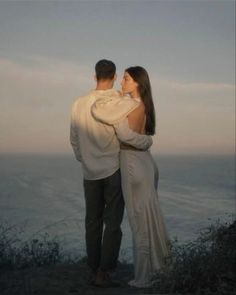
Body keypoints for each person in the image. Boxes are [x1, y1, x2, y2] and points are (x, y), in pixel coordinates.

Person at [70, 60, 153, 288]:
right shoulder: (119, 100)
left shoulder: (78, 104)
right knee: (113, 224)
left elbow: (74, 139)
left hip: (90, 172)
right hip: (114, 169)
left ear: (94, 75)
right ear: (115, 76)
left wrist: (85, 159)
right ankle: (104, 273)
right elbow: (127, 132)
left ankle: (93, 268)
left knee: (92, 222)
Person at [92, 66, 170, 288]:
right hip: (146, 163)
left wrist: (113, 112)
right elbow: (142, 137)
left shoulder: (130, 104)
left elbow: (123, 133)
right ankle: (157, 269)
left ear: (137, 82)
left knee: (139, 223)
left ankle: (144, 278)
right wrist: (147, 142)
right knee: (149, 219)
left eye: (126, 79)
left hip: (133, 164)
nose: (121, 83)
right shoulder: (145, 104)